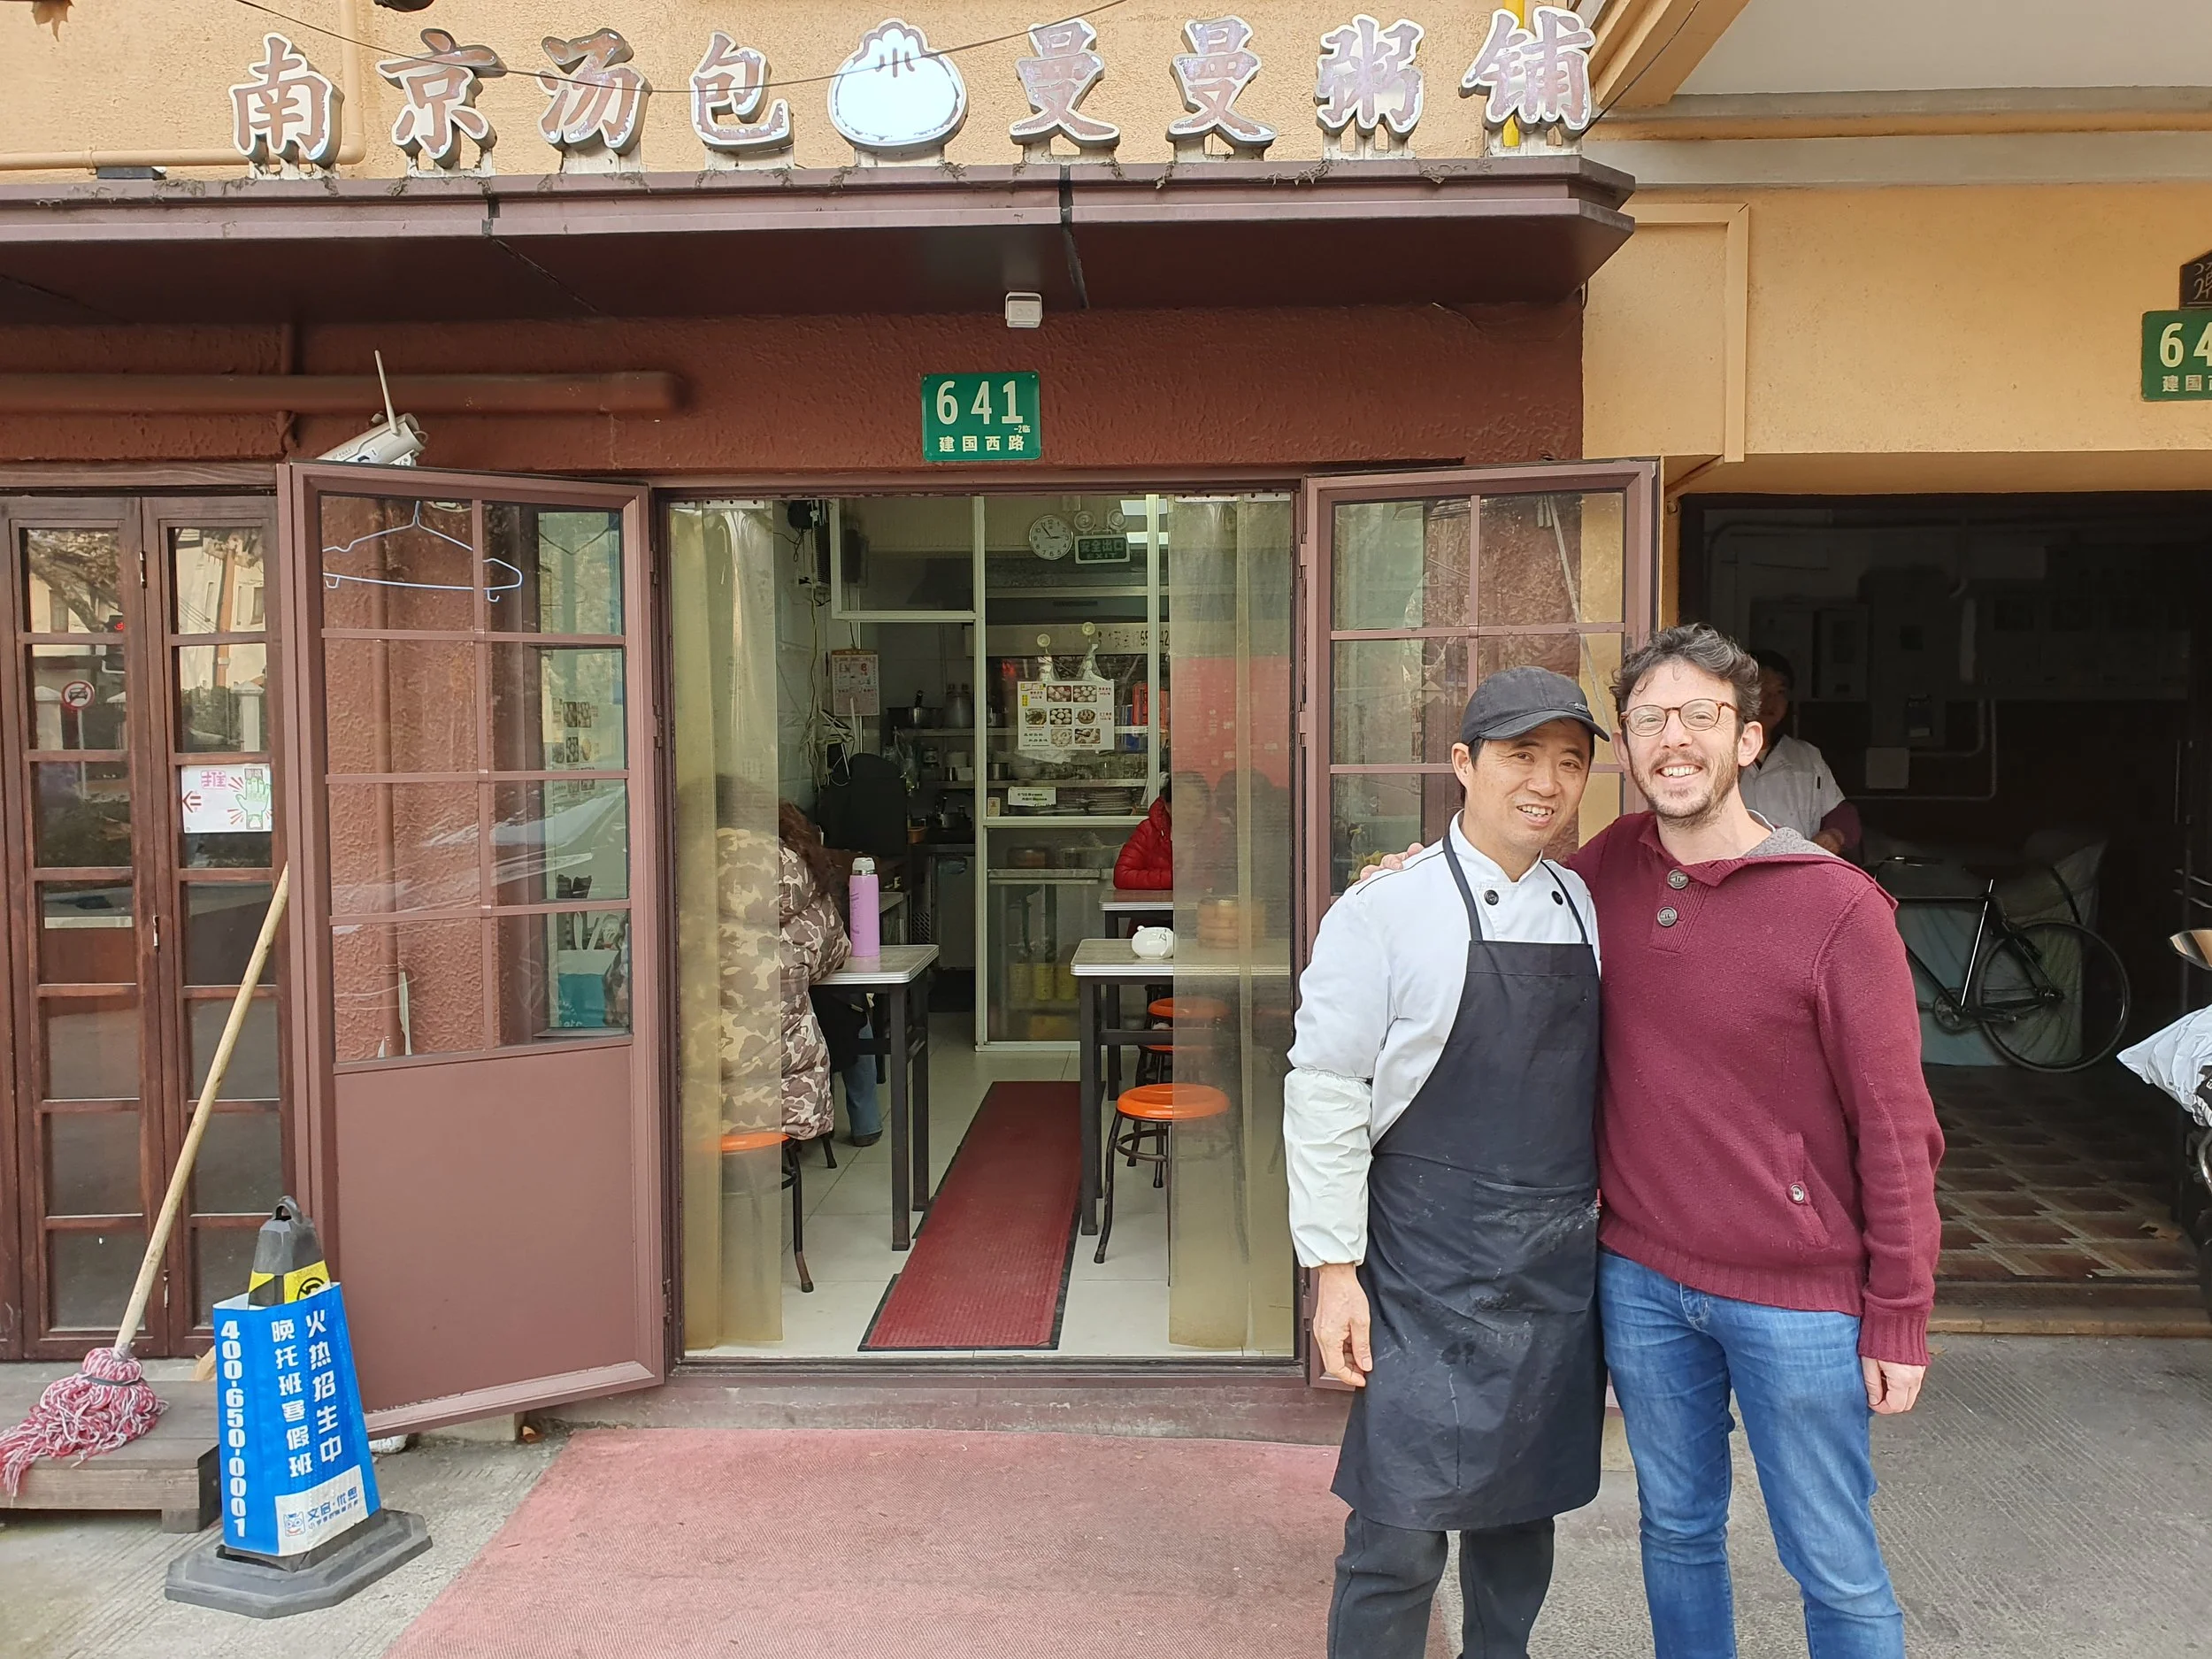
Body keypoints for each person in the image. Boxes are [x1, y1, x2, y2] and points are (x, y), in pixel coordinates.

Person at [1577, 626, 1940, 1659]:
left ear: (1748, 739)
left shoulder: (1838, 908)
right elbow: (1505, 888)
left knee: (1830, 1557)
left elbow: (1898, 1128)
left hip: (1799, 1302)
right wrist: (1403, 869)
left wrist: (1899, 1314)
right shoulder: (1608, 868)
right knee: (1677, 1530)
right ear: (1627, 742)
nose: (1673, 739)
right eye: (1649, 719)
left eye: (1701, 715)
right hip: (1642, 1279)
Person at [1286, 665, 1609, 1659]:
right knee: (1397, 1533)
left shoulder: (1586, 907)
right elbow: (1327, 1087)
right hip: (1421, 1264)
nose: (1546, 783)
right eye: (1520, 756)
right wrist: (1333, 1272)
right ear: (1463, 765)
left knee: (1521, 1518)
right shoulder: (1384, 910)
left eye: (1569, 762)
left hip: (1552, 1265)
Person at [777, 803, 853, 1142]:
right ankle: (866, 1121)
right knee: (848, 1006)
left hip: (685, 1100)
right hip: (783, 1095)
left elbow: (622, 997)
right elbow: (836, 952)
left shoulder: (672, 881)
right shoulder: (801, 881)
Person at [1738, 648, 1860, 856]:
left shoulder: (1806, 756)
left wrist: (1834, 835)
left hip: (1797, 872)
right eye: (1762, 691)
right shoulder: (1720, 751)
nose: (1771, 701)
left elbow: (1841, 812)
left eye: (1780, 692)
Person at [1113, 779, 1171, 890]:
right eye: (1185, 803)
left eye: (1198, 805)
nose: (1192, 810)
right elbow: (1122, 876)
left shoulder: (1211, 834)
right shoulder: (1148, 830)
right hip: (1156, 905)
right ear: (1168, 806)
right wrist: (1173, 878)